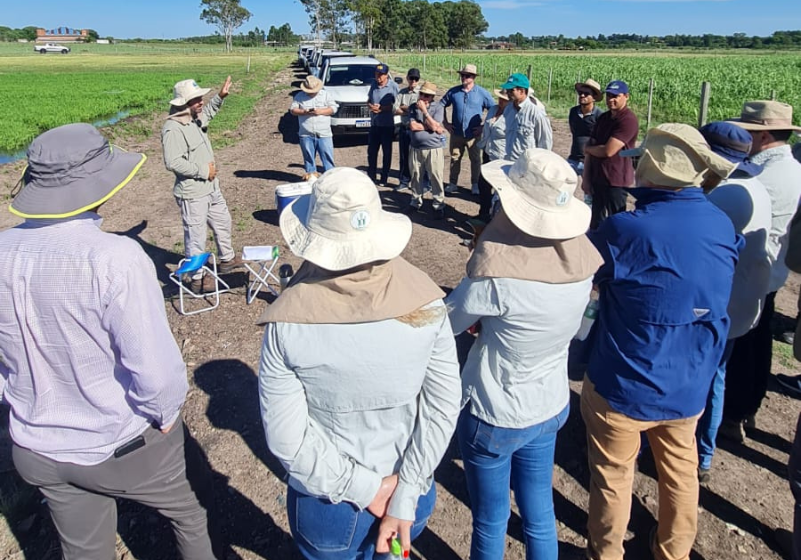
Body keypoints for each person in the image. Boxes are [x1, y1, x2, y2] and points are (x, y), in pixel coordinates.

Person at [2, 123, 215, 560]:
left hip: (35, 445)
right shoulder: (114, 258)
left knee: (83, 549)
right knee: (189, 515)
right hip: (116, 440)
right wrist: (166, 414)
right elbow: (153, 370)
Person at [257, 167, 462, 560]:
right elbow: (441, 408)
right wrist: (403, 492)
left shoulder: (287, 325)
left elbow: (287, 439)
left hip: (330, 504)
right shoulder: (428, 304)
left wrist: (368, 489)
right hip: (411, 492)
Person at [582, 123, 742, 560]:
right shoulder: (722, 224)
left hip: (624, 379)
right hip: (690, 379)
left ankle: (607, 552)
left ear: (649, 173)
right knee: (680, 473)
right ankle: (673, 551)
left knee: (613, 477)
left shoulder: (628, 229)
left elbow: (583, 267)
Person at [447, 148, 602, 560]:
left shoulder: (498, 274)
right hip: (549, 403)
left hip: (495, 409)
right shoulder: (582, 266)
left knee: (491, 519)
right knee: (539, 513)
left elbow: (449, 323)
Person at [695, 121, 772, 482]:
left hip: (721, 303)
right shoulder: (756, 187)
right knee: (718, 375)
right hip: (746, 298)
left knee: (707, 376)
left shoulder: (723, 195)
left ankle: (700, 449)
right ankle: (706, 452)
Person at [720, 100, 801, 441]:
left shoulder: (761, 174)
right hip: (773, 269)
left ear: (763, 134)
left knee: (740, 345)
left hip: (749, 269)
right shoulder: (795, 168)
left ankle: (733, 412)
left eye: (749, 132)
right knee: (760, 337)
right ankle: (749, 405)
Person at [162, 76, 243, 294]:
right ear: (183, 103)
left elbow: (207, 114)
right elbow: (173, 162)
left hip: (211, 187)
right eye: (196, 99)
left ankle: (227, 259)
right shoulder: (173, 129)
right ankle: (196, 279)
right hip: (192, 192)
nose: (201, 102)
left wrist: (220, 97)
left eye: (200, 98)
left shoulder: (194, 118)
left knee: (223, 220)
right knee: (196, 237)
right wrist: (204, 170)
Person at [582, 80, 639, 229]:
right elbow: (590, 149)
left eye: (615, 96)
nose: (611, 99)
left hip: (616, 180)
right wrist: (586, 178)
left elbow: (608, 151)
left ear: (626, 96)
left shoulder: (628, 120)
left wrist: (589, 149)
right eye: (608, 96)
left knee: (616, 222)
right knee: (595, 223)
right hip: (598, 178)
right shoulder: (603, 118)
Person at [441, 64, 494, 195]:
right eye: (462, 75)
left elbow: (494, 110)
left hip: (474, 135)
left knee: (475, 160)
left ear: (473, 78)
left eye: (467, 76)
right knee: (454, 158)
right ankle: (453, 183)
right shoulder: (453, 92)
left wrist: (483, 127)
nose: (464, 78)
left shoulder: (482, 93)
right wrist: (446, 123)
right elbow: (440, 105)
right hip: (456, 133)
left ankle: (475, 184)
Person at [406, 82, 448, 219]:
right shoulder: (413, 107)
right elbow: (413, 126)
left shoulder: (438, 108)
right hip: (415, 147)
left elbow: (436, 125)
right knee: (416, 175)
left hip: (433, 148)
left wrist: (424, 112)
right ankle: (415, 201)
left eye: (427, 96)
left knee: (436, 176)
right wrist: (431, 126)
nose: (423, 98)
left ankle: (438, 204)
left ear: (432, 97)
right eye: (422, 94)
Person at [289, 75, 339, 178]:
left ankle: (330, 179)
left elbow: (334, 108)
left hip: (324, 133)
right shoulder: (299, 96)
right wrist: (304, 111)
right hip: (306, 133)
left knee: (327, 158)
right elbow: (293, 110)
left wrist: (320, 111)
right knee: (309, 159)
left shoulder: (326, 95)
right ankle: (311, 179)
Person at [499, 73, 553, 161]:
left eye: (511, 90)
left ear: (522, 91)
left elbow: (545, 142)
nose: (507, 93)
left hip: (528, 164)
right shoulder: (508, 110)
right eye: (507, 90)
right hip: (509, 161)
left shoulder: (536, 113)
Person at [473, 89, 509, 222]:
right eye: (500, 98)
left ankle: (496, 218)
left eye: (504, 99)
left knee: (499, 189)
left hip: (501, 156)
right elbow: (487, 126)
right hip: (488, 151)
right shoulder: (493, 109)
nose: (501, 101)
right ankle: (483, 213)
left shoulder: (511, 115)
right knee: (483, 185)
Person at [367, 63, 399, 187]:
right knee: (372, 152)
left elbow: (397, 105)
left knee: (386, 153)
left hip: (387, 125)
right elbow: (368, 100)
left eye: (381, 75)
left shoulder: (394, 87)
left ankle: (384, 177)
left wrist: (383, 108)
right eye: (377, 74)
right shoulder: (373, 85)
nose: (378, 77)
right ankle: (372, 176)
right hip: (374, 124)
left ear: (386, 75)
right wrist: (371, 106)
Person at [567, 79, 604, 176]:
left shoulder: (600, 116)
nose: (582, 95)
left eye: (586, 94)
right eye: (580, 93)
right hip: (573, 159)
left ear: (594, 97)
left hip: (591, 161)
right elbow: (573, 130)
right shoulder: (573, 112)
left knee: (590, 190)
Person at [393, 68, 422, 190]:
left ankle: (418, 182)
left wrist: (405, 109)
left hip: (417, 130)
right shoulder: (401, 92)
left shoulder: (421, 93)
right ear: (407, 78)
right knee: (404, 156)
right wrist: (409, 110)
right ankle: (404, 181)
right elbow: (395, 109)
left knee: (418, 157)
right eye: (411, 78)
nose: (413, 81)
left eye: (416, 79)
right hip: (404, 128)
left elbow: (419, 111)